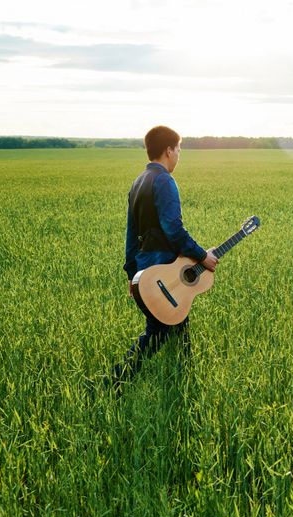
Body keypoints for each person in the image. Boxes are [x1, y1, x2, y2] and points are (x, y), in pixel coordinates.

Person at [109, 125, 218, 391]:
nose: (180, 154)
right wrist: (203, 256)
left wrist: (132, 274)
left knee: (179, 325)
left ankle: (185, 383)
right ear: (168, 150)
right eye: (179, 148)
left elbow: (131, 235)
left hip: (148, 270)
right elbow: (174, 229)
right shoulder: (164, 181)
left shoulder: (138, 182)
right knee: (156, 334)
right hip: (164, 272)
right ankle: (114, 382)